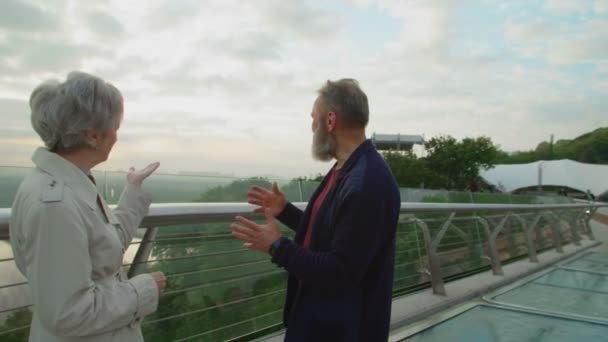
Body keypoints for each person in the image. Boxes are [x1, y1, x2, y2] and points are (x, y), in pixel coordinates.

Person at [230, 79, 401, 341]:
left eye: (314, 117)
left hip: (342, 329)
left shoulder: (366, 183)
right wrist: (285, 211)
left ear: (330, 121)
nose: (312, 126)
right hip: (323, 320)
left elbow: (339, 272)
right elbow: (335, 233)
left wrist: (277, 246)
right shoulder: (347, 169)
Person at [9, 71, 166, 341]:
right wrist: (144, 289)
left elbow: (106, 247)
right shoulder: (55, 205)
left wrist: (132, 191)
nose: (117, 136)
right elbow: (67, 313)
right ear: (93, 136)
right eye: (115, 126)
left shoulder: (72, 183)